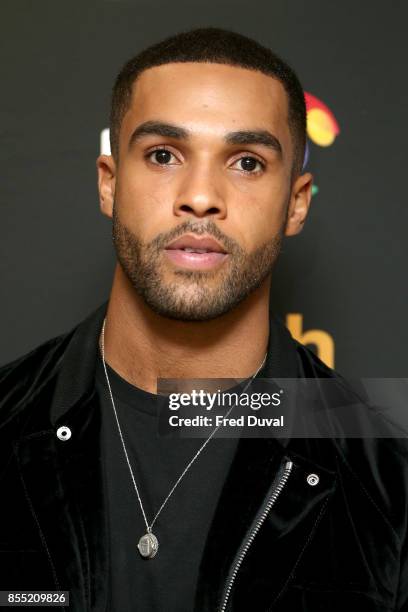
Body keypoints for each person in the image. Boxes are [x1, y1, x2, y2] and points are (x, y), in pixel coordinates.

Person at [0, 27, 407, 612]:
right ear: (109, 184)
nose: (200, 196)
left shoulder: (387, 478)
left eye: (246, 162)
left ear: (296, 202)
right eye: (163, 155)